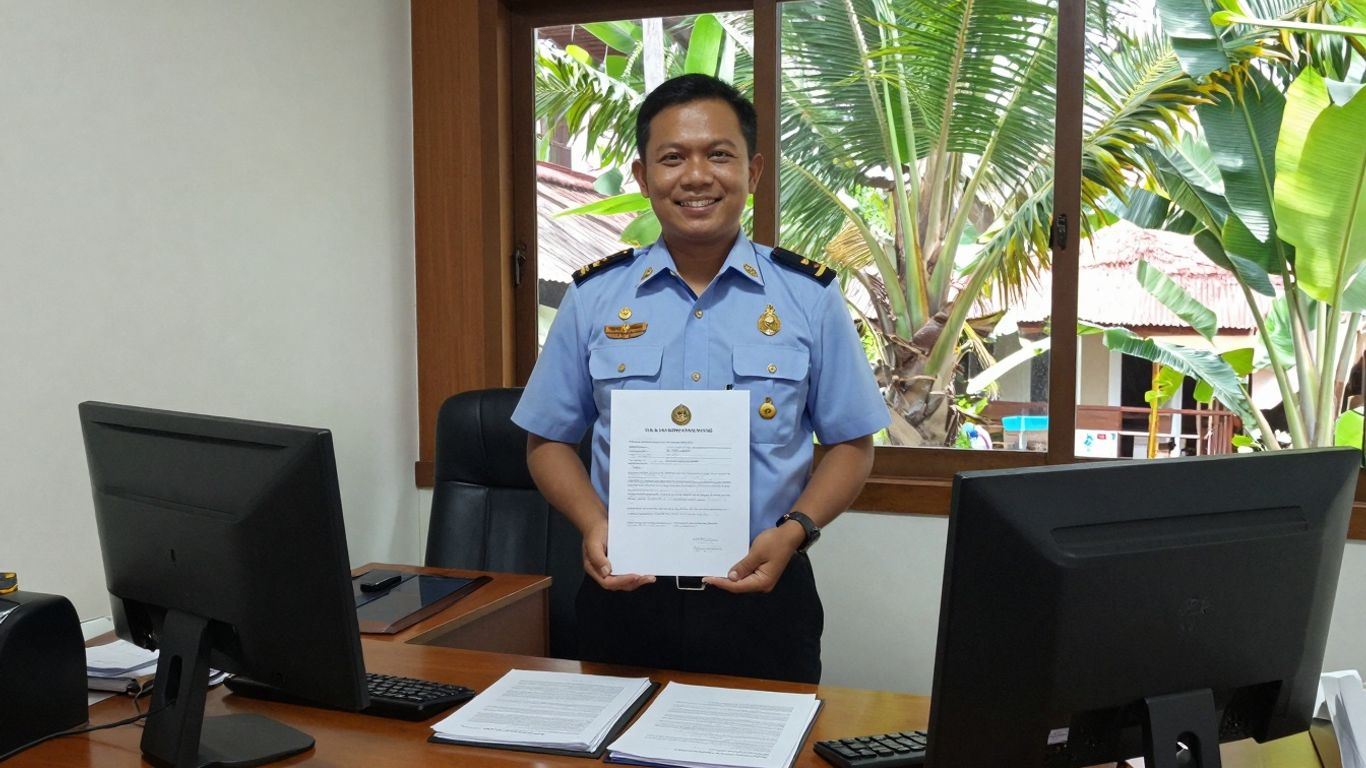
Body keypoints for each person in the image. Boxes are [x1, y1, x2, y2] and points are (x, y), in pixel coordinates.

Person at [512, 74, 888, 684]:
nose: (695, 176)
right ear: (642, 177)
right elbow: (547, 438)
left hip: (763, 596)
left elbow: (851, 442)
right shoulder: (594, 297)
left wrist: (796, 531)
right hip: (626, 599)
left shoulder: (808, 296)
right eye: (672, 158)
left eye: (718, 154)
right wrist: (593, 524)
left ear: (754, 171)